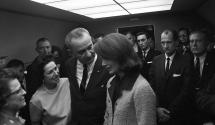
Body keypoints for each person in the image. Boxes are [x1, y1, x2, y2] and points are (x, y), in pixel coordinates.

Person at [94, 33, 156, 125]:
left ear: (120, 56)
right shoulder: (111, 82)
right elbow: (107, 117)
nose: (103, 64)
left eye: (106, 58)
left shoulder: (142, 88)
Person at [61, 28, 111, 125]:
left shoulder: (107, 64)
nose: (88, 54)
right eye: (81, 52)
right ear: (71, 52)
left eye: (90, 47)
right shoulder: (69, 65)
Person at [150, 29, 193, 125]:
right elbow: (152, 87)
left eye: (168, 42)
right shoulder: (156, 60)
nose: (165, 46)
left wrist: (169, 112)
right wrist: (157, 108)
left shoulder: (185, 60)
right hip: (159, 113)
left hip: (178, 114)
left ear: (176, 42)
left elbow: (186, 90)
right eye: (163, 43)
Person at [29, 55, 71, 125]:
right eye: (50, 72)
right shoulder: (36, 99)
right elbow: (35, 123)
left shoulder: (67, 82)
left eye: (55, 68)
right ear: (42, 77)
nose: (56, 73)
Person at [189, 30, 215, 124]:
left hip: (209, 115)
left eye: (198, 41)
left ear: (206, 42)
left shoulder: (213, 59)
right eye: (191, 41)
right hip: (189, 114)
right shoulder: (185, 60)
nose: (194, 44)